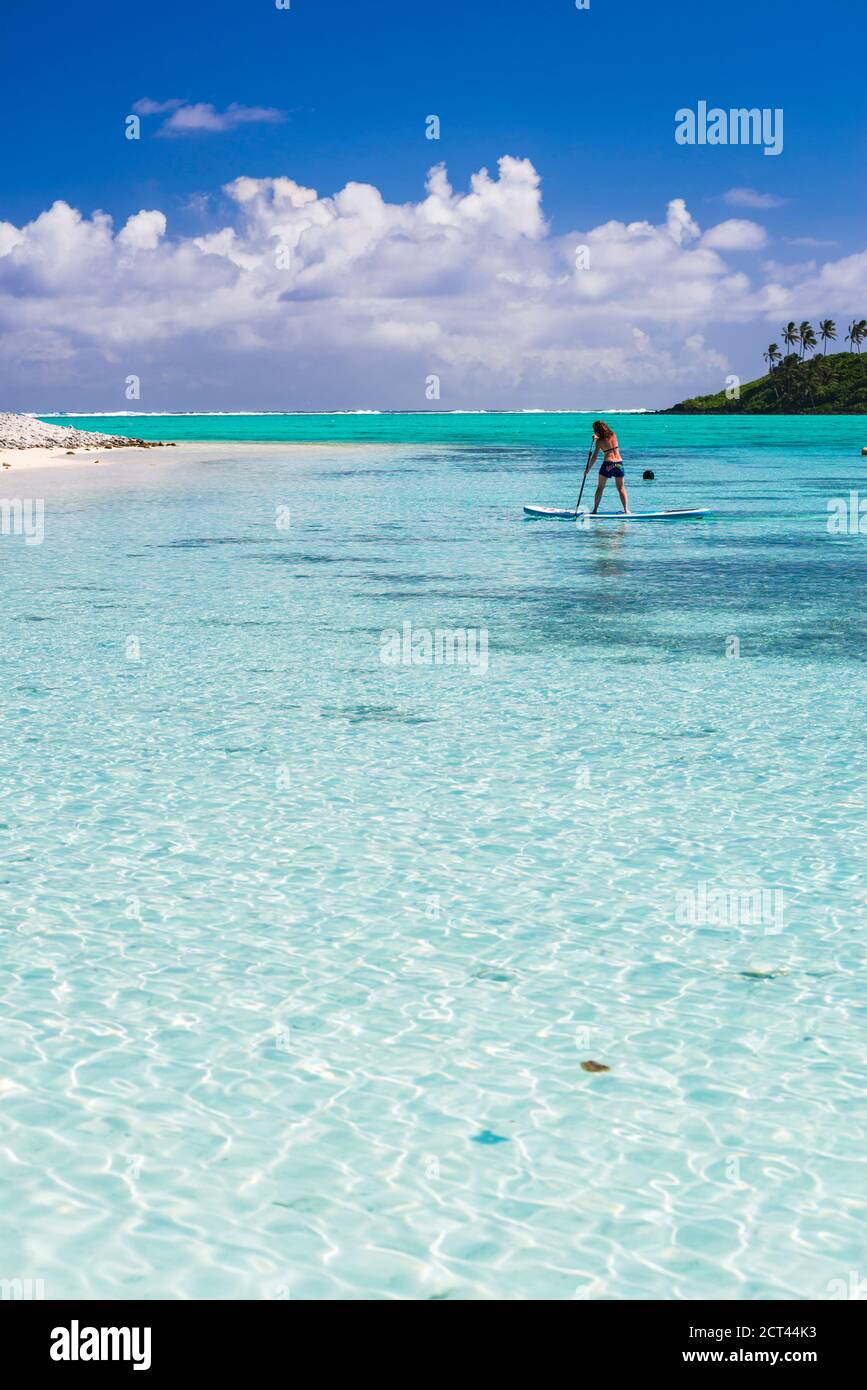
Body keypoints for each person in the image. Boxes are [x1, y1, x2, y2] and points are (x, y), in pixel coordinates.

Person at [585, 420, 629, 514]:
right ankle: (626, 510)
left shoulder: (599, 441)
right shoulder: (613, 434)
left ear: (597, 430)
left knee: (600, 488)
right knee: (621, 488)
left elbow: (594, 457)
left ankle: (595, 510)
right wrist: (597, 437)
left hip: (608, 464)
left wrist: (587, 470)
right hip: (619, 463)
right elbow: (607, 438)